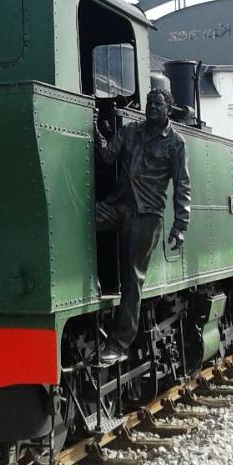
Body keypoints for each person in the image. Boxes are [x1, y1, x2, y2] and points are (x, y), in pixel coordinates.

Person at [94, 87, 191, 364]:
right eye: (149, 103)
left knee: (132, 279)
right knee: (85, 221)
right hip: (119, 206)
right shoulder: (131, 132)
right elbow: (106, 156)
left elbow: (183, 186)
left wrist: (180, 224)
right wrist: (95, 129)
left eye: (157, 104)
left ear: (168, 109)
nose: (151, 108)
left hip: (147, 216)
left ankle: (119, 344)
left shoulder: (176, 143)